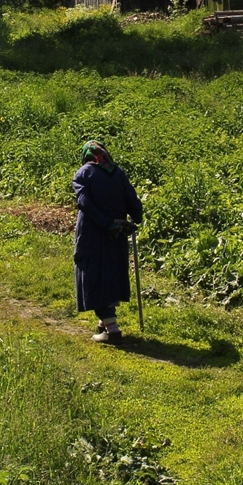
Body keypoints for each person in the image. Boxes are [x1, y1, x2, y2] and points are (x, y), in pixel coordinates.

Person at [73, 140, 143, 344]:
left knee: (93, 275)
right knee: (111, 275)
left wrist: (105, 223)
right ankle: (103, 325)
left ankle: (112, 331)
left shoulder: (83, 173)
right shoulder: (117, 172)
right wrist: (135, 218)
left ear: (87, 156)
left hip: (92, 235)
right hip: (117, 234)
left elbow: (84, 202)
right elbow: (132, 201)